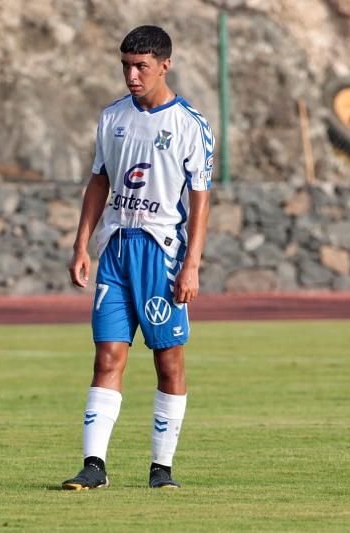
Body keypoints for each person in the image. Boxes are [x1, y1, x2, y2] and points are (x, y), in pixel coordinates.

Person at [62, 25, 213, 490]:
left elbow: (201, 198)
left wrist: (192, 264)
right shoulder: (112, 117)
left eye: (141, 66)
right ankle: (94, 466)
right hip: (117, 250)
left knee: (168, 362)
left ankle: (161, 469)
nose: (131, 75)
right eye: (126, 65)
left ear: (165, 64)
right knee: (107, 356)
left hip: (162, 254)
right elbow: (99, 181)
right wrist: (82, 244)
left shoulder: (189, 124)